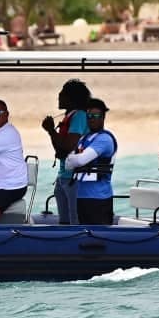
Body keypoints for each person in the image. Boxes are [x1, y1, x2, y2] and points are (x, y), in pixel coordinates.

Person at [40, 79, 91, 225]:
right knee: (64, 222)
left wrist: (51, 130)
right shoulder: (69, 117)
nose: (59, 96)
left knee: (74, 222)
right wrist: (51, 132)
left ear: (72, 98)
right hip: (64, 176)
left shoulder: (80, 116)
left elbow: (68, 145)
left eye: (63, 93)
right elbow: (60, 149)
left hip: (74, 178)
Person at [65, 98, 117, 224]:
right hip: (82, 196)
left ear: (103, 118)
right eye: (89, 116)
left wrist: (75, 159)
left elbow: (81, 160)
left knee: (99, 237)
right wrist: (75, 159)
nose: (91, 119)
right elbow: (68, 164)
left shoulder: (104, 139)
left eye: (96, 116)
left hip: (99, 198)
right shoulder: (84, 139)